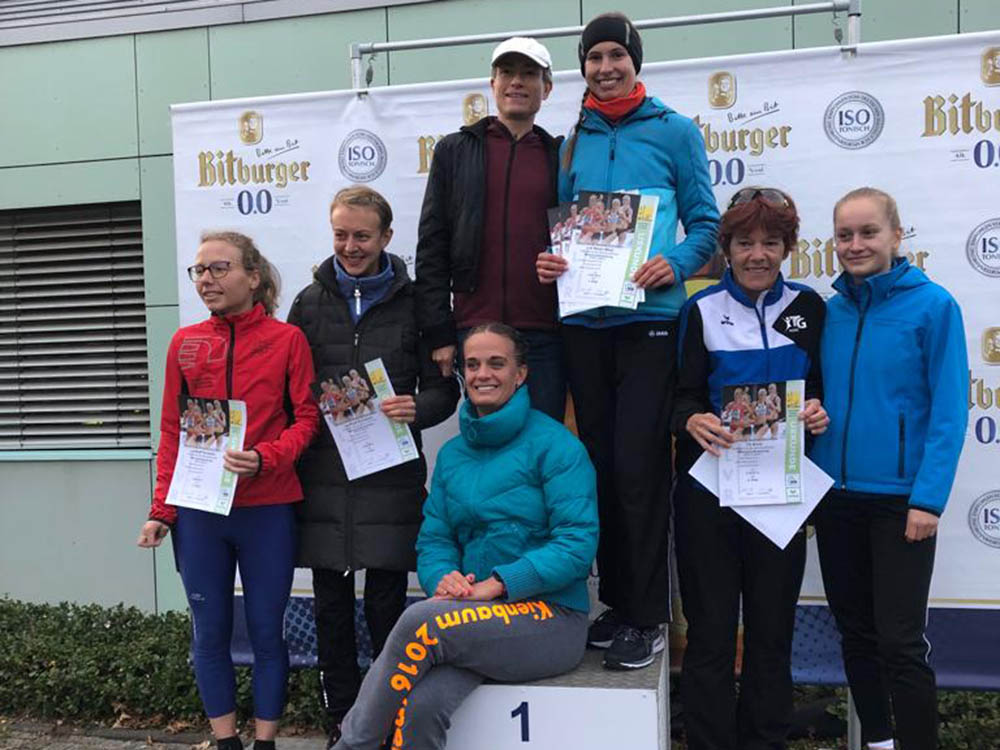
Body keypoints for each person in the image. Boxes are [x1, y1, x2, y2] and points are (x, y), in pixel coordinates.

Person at [536, 11, 720, 670]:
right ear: (581, 68)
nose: (606, 67)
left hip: (650, 321)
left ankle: (647, 615)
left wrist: (676, 259)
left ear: (635, 61)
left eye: (617, 55)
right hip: (585, 322)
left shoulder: (675, 131)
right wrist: (551, 263)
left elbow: (707, 223)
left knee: (641, 469)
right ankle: (617, 606)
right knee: (603, 470)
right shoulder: (570, 142)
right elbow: (561, 231)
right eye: (594, 58)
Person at [331, 323, 598, 750]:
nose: (482, 374)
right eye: (472, 365)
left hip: (551, 619)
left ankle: (351, 745)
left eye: (497, 363)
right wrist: (444, 579)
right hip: (472, 616)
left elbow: (577, 545)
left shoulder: (557, 447)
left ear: (521, 374)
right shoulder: (454, 454)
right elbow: (435, 539)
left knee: (420, 620)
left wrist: (498, 583)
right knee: (417, 709)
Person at [287, 186, 459, 748]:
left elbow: (445, 390)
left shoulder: (421, 303)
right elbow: (291, 388)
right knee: (330, 608)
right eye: (341, 234)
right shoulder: (308, 301)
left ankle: (389, 719)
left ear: (387, 237)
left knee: (388, 606)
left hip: (390, 474)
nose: (351, 246)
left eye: (362, 235)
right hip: (324, 476)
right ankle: (340, 722)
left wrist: (419, 408)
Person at [137, 232, 319, 750]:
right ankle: (225, 743)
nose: (206, 280)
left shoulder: (287, 340)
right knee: (209, 633)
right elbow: (172, 430)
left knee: (266, 631)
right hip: (200, 513)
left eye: (219, 268)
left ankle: (265, 742)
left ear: (253, 276)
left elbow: (307, 419)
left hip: (268, 508)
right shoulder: (185, 342)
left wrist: (267, 458)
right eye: (198, 271)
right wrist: (161, 511)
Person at [671, 187, 829, 750]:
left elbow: (821, 391)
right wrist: (690, 420)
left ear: (787, 248)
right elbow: (678, 397)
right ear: (727, 249)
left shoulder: (809, 308)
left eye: (770, 242)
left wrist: (815, 410)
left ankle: (766, 741)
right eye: (744, 243)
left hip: (781, 496)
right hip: (710, 496)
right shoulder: (700, 309)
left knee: (771, 635)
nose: (757, 254)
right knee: (711, 636)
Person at [811, 187, 968, 750]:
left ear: (897, 236)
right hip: (835, 499)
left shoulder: (933, 306)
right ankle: (877, 741)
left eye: (868, 232)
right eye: (844, 235)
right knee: (855, 634)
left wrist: (928, 499)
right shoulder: (826, 313)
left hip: (902, 501)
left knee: (901, 642)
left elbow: (950, 410)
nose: (855, 245)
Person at [415, 36, 567, 420]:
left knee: (542, 438)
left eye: (529, 74)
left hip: (544, 333)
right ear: (493, 84)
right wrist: (440, 333)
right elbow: (433, 245)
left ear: (546, 88)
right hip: (475, 329)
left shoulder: (561, 156)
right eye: (507, 73)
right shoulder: (454, 151)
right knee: (487, 439)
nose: (516, 82)